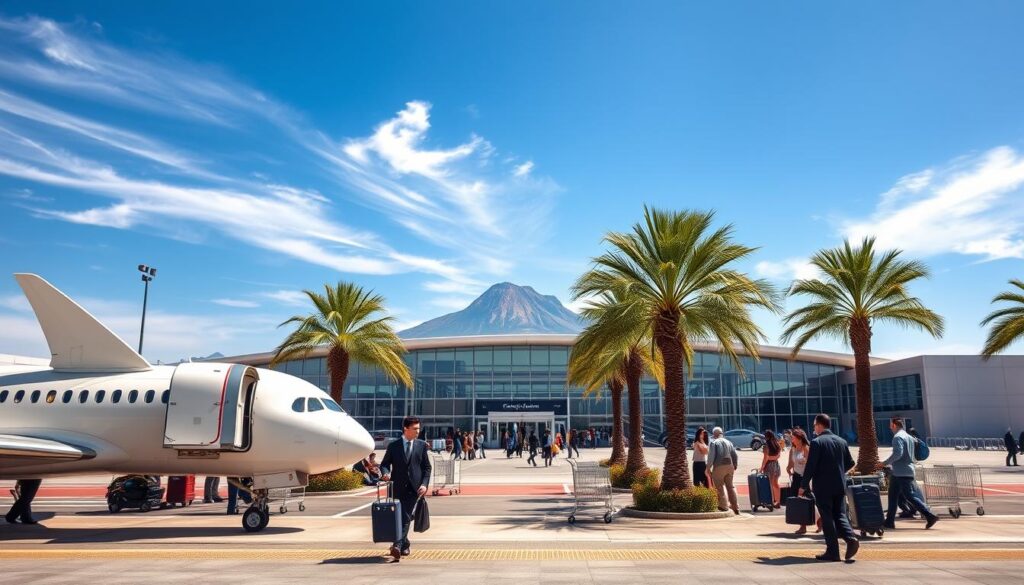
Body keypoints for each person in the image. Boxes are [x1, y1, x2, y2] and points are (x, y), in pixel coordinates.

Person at [799, 413, 859, 562]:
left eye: (814, 425)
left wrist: (803, 485)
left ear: (820, 425)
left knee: (827, 517)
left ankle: (833, 552)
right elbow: (851, 463)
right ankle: (850, 538)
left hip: (823, 486)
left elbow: (811, 466)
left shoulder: (817, 442)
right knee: (839, 514)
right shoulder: (841, 441)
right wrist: (837, 470)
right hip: (839, 484)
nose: (814, 428)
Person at [380, 416, 432, 561]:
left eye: (418, 429)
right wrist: (385, 473)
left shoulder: (421, 445)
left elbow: (427, 467)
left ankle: (396, 546)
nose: (418, 431)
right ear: (406, 429)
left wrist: (424, 484)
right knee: (401, 517)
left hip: (414, 488)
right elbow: (384, 464)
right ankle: (405, 544)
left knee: (406, 516)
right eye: (415, 429)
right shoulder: (394, 446)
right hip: (397, 487)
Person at [877, 416, 939, 530]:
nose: (890, 428)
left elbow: (898, 454)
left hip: (901, 472)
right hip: (904, 470)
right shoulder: (909, 437)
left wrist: (884, 463)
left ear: (894, 425)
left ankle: (929, 515)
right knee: (893, 496)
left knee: (909, 495)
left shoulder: (897, 437)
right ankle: (889, 521)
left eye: (891, 426)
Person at [787, 429, 817, 535]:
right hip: (796, 477)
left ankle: (817, 519)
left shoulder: (806, 448)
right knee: (799, 500)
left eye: (793, 437)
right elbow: (791, 462)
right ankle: (803, 525)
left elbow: (810, 465)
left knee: (808, 499)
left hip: (804, 478)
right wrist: (788, 468)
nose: (792, 439)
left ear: (799, 438)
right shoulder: (793, 449)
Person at [707, 427, 740, 515]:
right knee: (730, 486)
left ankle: (723, 506)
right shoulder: (729, 442)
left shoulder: (714, 443)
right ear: (722, 433)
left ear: (714, 434)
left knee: (719, 486)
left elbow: (711, 457)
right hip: (730, 466)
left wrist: (708, 468)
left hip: (719, 466)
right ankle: (735, 506)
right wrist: (735, 465)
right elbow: (735, 455)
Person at [761, 429, 783, 507]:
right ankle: (778, 501)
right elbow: (778, 456)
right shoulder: (777, 444)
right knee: (776, 483)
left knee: (769, 484)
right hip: (776, 465)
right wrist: (774, 458)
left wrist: (761, 468)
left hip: (769, 466)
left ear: (766, 437)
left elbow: (765, 458)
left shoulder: (766, 446)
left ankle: (771, 501)